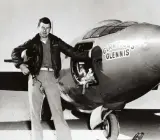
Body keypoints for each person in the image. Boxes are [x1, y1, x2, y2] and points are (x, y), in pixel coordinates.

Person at [11, 17, 91, 140]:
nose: (45, 30)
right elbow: (15, 52)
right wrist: (21, 65)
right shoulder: (32, 42)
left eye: (48, 28)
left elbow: (72, 52)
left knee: (58, 112)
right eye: (42, 27)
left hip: (51, 77)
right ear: (38, 27)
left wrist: (90, 55)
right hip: (35, 78)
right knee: (35, 114)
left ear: (50, 29)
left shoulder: (56, 41)